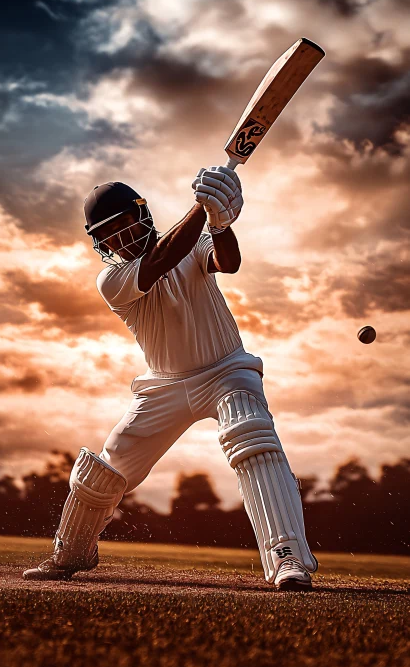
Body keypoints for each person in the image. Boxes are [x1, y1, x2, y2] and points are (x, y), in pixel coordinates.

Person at [23, 168, 318, 591]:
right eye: (110, 233)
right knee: (104, 470)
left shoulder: (197, 244)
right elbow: (161, 260)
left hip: (226, 370)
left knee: (251, 436)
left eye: (126, 222)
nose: (121, 236)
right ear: (101, 244)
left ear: (142, 215)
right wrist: (203, 205)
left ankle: (287, 557)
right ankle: (71, 552)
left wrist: (220, 224)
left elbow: (227, 262)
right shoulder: (112, 280)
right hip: (164, 386)